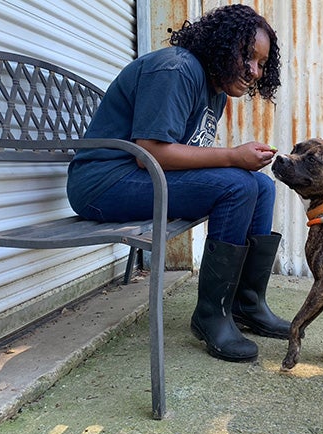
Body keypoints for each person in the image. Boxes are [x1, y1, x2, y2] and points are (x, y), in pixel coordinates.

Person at [66, 4, 290, 363]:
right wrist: (233, 156)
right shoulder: (177, 69)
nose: (253, 71)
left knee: (260, 186)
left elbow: (178, 154)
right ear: (222, 43)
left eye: (261, 64)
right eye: (247, 56)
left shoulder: (213, 88)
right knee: (239, 185)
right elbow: (150, 153)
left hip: (138, 178)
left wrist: (239, 161)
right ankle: (210, 316)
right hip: (103, 184)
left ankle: (247, 304)